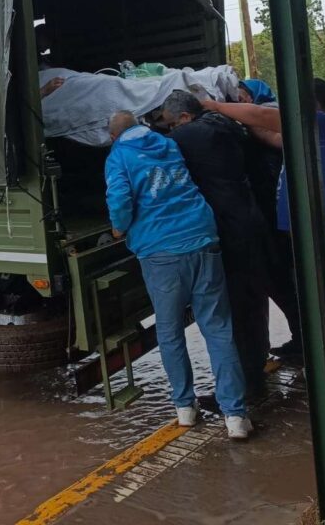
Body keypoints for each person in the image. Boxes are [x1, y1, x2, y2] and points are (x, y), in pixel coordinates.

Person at [203, 78, 325, 407]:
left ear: (308, 105)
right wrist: (241, 125)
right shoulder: (310, 135)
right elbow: (269, 133)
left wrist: (215, 107)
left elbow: (261, 117)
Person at [105, 110, 253, 439]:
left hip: (161, 251)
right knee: (218, 328)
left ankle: (186, 409)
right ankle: (236, 417)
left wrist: (119, 228)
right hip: (203, 237)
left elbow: (119, 201)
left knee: (170, 331)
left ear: (113, 137)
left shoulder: (119, 156)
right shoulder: (167, 144)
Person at [160, 91, 271, 397]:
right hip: (249, 216)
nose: (171, 131)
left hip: (227, 227)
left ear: (184, 118)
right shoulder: (227, 125)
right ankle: (255, 370)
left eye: (171, 125)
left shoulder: (188, 136)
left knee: (233, 310)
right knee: (253, 302)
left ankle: (246, 388)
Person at [238, 79, 303, 359]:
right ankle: (302, 339)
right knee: (284, 283)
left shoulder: (269, 120)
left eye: (242, 97)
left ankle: (303, 342)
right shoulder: (267, 121)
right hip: (278, 220)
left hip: (276, 221)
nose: (238, 102)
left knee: (282, 282)